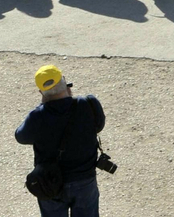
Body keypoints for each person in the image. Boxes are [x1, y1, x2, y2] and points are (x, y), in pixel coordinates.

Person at [15, 64, 108, 217]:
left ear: (41, 92)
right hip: (85, 179)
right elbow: (98, 126)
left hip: (50, 181)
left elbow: (21, 136)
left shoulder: (37, 116)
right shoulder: (89, 104)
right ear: (64, 82)